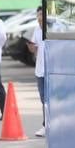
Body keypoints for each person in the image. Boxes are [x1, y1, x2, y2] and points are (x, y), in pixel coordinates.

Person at [25, 8, 47, 138]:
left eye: (41, 14)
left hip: (50, 71)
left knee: (49, 100)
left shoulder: (51, 30)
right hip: (40, 71)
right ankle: (46, 126)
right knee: (43, 100)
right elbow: (34, 48)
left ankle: (48, 125)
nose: (39, 17)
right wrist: (31, 48)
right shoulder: (36, 30)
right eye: (38, 14)